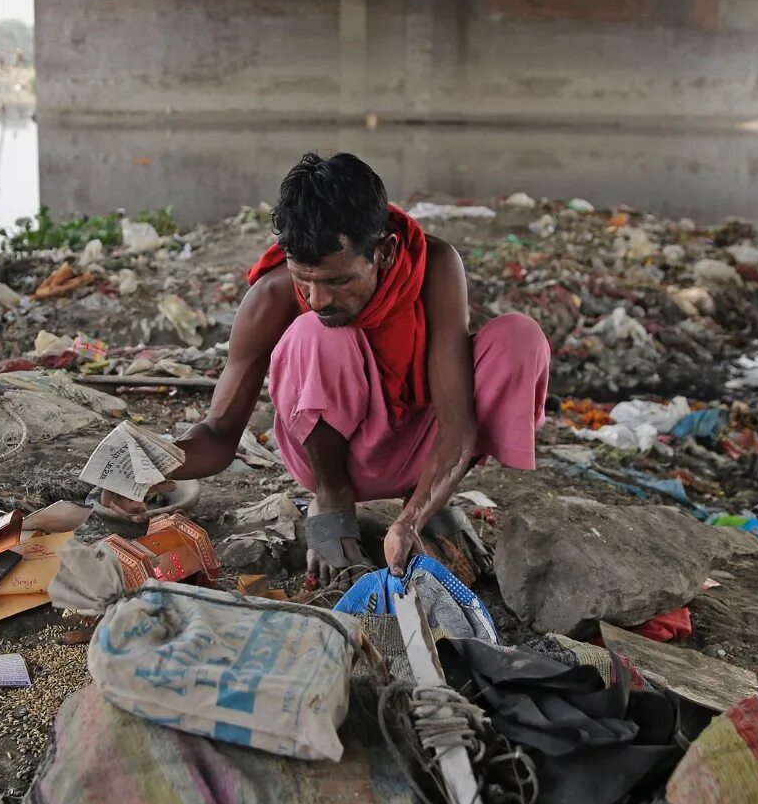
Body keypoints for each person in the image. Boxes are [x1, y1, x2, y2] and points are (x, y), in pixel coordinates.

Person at [101, 151, 550, 579]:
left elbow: (456, 423)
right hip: (330, 463)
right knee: (317, 331)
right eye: (305, 280)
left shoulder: (432, 266)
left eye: (339, 280)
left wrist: (411, 519)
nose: (318, 299)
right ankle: (332, 506)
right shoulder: (273, 296)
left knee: (518, 337)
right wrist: (141, 467)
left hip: (422, 450)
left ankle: (430, 502)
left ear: (386, 252)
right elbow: (219, 435)